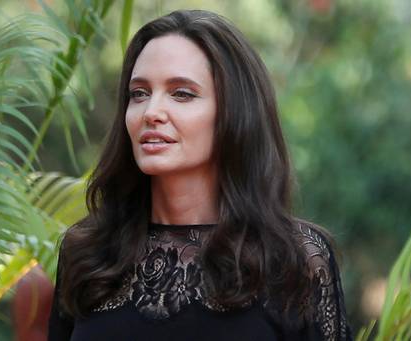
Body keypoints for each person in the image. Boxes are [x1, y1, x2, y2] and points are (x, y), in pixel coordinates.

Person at [47, 9, 352, 341]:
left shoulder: (295, 260)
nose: (151, 112)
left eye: (182, 93)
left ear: (234, 113)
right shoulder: (89, 252)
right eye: (139, 93)